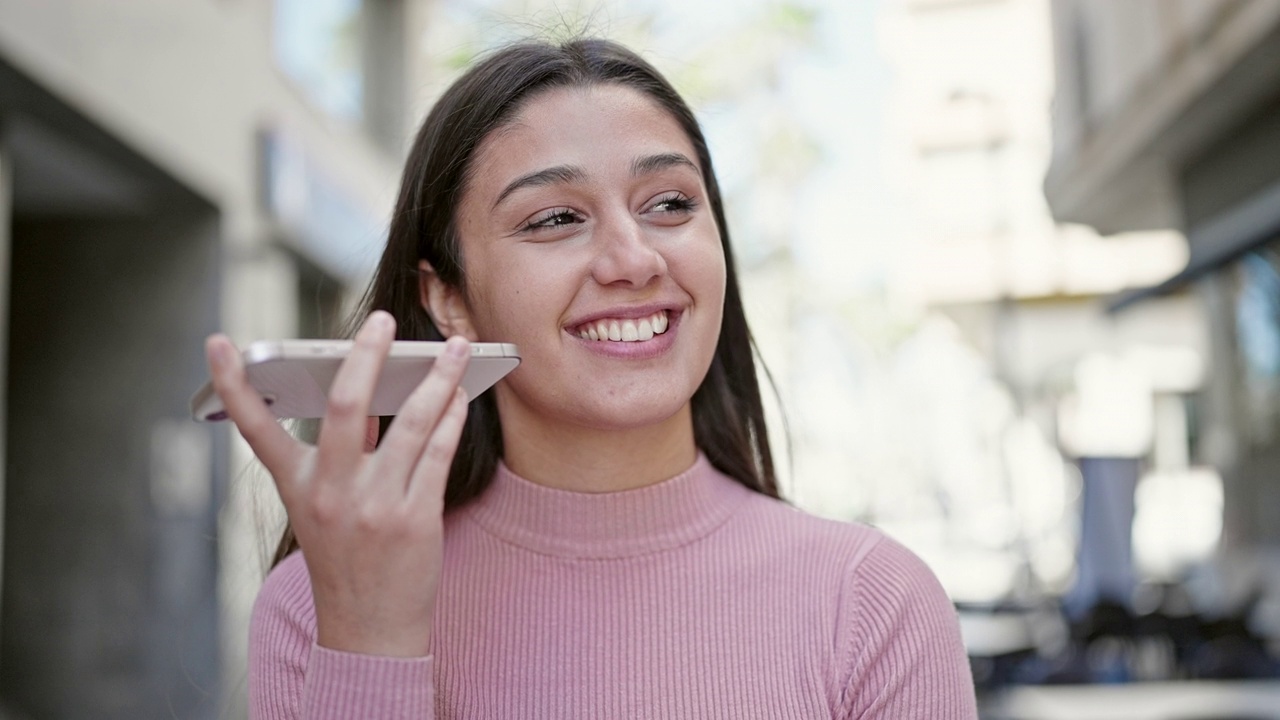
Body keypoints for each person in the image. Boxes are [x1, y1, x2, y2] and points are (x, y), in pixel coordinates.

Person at [205, 37, 978, 719]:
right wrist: (373, 641)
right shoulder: (319, 606)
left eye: (670, 203)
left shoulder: (874, 605)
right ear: (449, 300)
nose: (634, 258)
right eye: (556, 219)